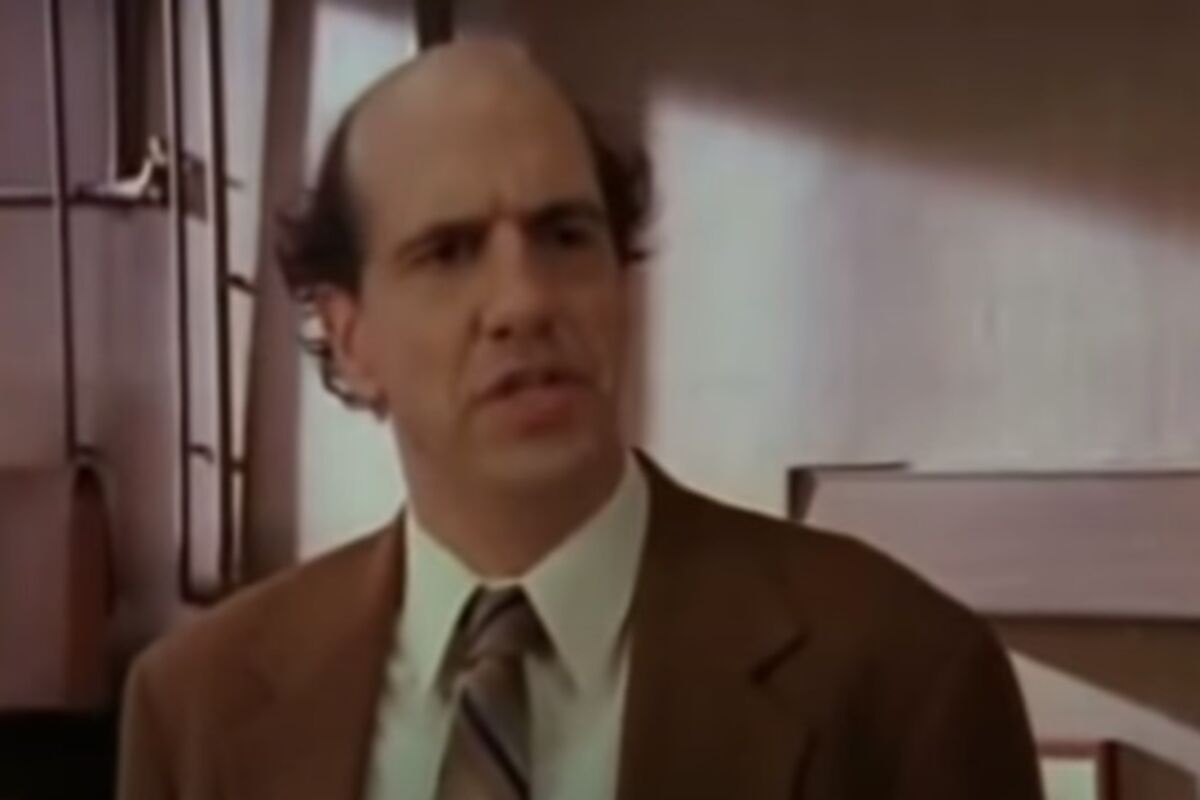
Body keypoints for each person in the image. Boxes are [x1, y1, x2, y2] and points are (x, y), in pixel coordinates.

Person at [117, 38, 1043, 800]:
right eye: (451, 252)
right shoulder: (197, 706)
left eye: (565, 237)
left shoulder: (900, 674)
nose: (525, 300)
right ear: (351, 336)